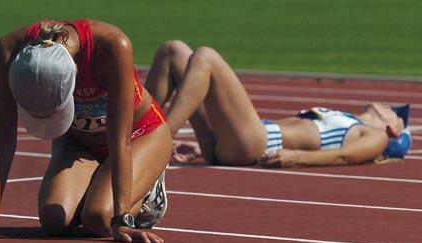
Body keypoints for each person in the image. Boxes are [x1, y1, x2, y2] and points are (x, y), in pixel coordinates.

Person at [0, 19, 172, 243]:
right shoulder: (8, 51)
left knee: (99, 219)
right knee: (54, 220)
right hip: (78, 140)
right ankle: (99, 186)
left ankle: (148, 189)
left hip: (139, 134)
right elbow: (3, 139)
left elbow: (120, 142)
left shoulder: (113, 47)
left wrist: (122, 220)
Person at [144, 40, 411, 167]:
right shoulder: (350, 120)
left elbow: (345, 156)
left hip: (258, 142)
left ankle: (157, 142)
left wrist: (298, 157)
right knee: (174, 51)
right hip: (238, 139)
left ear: (394, 130)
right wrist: (203, 147)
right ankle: (137, 131)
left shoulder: (376, 136)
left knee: (206, 56)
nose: (389, 106)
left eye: (394, 113)